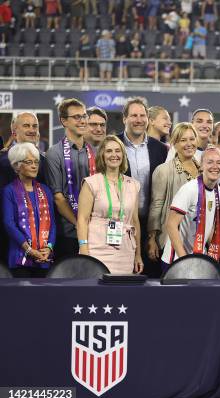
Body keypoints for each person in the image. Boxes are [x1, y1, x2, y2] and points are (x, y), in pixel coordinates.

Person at [77, 135, 143, 274]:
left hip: (125, 251)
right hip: (96, 249)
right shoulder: (91, 183)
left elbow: (135, 221)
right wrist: (83, 248)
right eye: (109, 151)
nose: (114, 155)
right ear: (102, 155)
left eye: (118, 151)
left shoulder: (133, 185)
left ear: (123, 155)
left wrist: (138, 254)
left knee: (121, 292)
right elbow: (82, 219)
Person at [118, 97, 167, 277]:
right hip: (121, 221)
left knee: (151, 276)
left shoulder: (161, 149)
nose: (138, 120)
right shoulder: (114, 145)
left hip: (150, 224)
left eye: (142, 115)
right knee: (122, 275)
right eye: (133, 115)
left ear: (148, 118)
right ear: (124, 119)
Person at [45, 98, 97, 260]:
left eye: (84, 116)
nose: (82, 121)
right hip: (68, 232)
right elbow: (58, 198)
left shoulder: (95, 152)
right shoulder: (54, 153)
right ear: (64, 121)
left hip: (96, 231)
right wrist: (79, 224)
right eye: (76, 117)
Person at [163, 146, 220, 270]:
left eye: (219, 163)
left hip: (199, 259)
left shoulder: (219, 191)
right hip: (177, 260)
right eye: (210, 162)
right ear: (201, 165)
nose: (215, 166)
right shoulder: (189, 189)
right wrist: (184, 260)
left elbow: (210, 224)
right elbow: (171, 225)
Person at [147, 123, 200, 265]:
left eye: (192, 139)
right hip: (171, 239)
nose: (189, 144)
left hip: (197, 238)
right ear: (174, 144)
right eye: (183, 140)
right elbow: (156, 205)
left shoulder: (203, 170)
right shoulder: (164, 170)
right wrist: (152, 238)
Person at [2, 143, 55, 277]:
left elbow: (53, 224)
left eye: (36, 162)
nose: (34, 166)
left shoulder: (46, 190)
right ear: (17, 166)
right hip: (20, 258)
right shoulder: (9, 191)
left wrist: (49, 247)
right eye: (29, 162)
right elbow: (9, 223)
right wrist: (28, 249)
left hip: (44, 258)